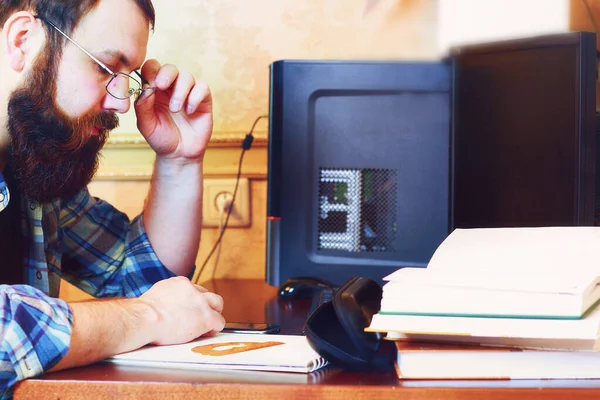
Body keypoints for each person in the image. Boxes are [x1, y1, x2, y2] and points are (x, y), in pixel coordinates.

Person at [0, 0, 226, 394]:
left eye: (128, 77)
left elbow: (138, 279)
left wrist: (179, 159)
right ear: (22, 39)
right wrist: (148, 315)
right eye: (105, 67)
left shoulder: (34, 161)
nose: (122, 103)